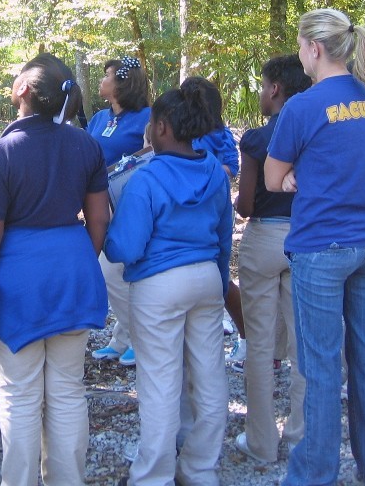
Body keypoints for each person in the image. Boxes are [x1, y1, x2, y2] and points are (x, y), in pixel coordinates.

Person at [264, 8, 365, 486]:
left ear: (314, 48)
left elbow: (273, 177)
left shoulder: (302, 107)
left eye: (301, 46)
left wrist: (295, 177)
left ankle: (314, 474)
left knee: (321, 366)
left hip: (323, 246)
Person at [0, 54, 110, 486]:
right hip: (73, 273)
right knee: (67, 390)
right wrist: (79, 260)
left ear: (24, 89)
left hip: (19, 285)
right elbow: (99, 219)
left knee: (20, 397)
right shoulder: (86, 145)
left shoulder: (2, 152)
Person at [105, 78, 233, 486]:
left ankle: (153, 476)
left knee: (159, 382)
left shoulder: (146, 178)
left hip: (158, 285)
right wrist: (220, 281)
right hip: (207, 278)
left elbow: (126, 247)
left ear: (160, 127)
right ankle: (200, 469)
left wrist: (106, 232)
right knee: (209, 376)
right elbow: (224, 236)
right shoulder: (214, 170)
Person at [232, 54, 311, 464]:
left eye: (263, 86)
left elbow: (245, 206)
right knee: (304, 343)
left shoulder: (257, 139)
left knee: (260, 344)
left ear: (275, 88)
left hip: (263, 237)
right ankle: (301, 439)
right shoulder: (315, 132)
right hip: (306, 237)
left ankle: (261, 441)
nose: (262, 93)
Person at [89, 57, 152, 366]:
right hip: (100, 204)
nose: (102, 81)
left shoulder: (146, 117)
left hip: (132, 204)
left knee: (113, 270)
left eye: (108, 75)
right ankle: (123, 338)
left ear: (123, 83)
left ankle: (141, 339)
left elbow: (154, 154)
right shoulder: (99, 118)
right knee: (112, 272)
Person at [186, 77, 243, 359]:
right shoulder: (180, 130)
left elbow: (231, 167)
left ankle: (244, 333)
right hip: (187, 209)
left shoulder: (219, 134)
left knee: (219, 269)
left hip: (214, 208)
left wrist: (203, 173)